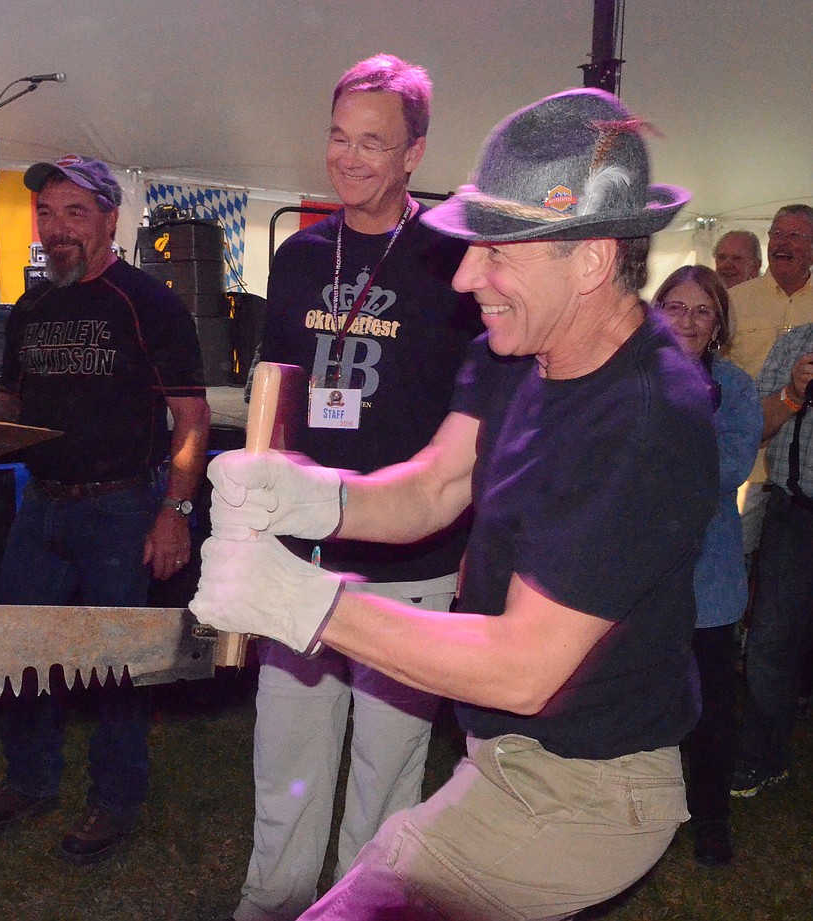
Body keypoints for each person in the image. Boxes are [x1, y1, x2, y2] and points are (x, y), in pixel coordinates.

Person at [192, 87, 717, 920]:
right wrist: (312, 497)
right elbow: (436, 484)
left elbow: (524, 666)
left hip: (584, 788)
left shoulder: (646, 420)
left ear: (589, 259)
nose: (468, 275)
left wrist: (299, 599)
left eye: (498, 253)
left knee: (372, 891)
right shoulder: (515, 350)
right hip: (507, 752)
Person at [226, 54, 479, 921]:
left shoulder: (456, 262)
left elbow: (474, 419)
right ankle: (275, 906)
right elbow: (275, 392)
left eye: (373, 142)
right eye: (339, 136)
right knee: (285, 761)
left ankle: (362, 911)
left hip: (412, 561)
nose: (350, 157)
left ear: (414, 153)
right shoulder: (299, 255)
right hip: (301, 557)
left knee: (386, 773)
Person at [0, 155, 210, 863]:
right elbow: (13, 395)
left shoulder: (148, 302)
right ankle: (30, 779)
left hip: (123, 510)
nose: (56, 228)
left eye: (74, 213)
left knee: (116, 666)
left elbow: (192, 416)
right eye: (46, 213)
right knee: (22, 655)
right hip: (41, 508)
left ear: (108, 220)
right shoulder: (33, 306)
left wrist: (173, 512)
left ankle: (115, 799)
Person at [652, 266, 762, 864]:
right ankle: (647, 815)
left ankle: (711, 819)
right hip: (640, 576)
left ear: (718, 321)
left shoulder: (738, 388)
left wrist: (660, 457)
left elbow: (727, 470)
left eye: (701, 310)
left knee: (712, 710)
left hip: (709, 578)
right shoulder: (630, 378)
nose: (688, 320)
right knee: (645, 704)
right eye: (675, 306)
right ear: (656, 310)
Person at [731, 319, 813, 798]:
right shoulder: (797, 341)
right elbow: (755, 428)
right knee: (770, 644)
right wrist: (793, 391)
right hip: (796, 513)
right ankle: (764, 757)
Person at [726, 206, 813, 557]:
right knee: (737, 564)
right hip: (744, 467)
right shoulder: (735, 301)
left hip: (801, 479)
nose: (781, 242)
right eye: (776, 233)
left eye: (794, 235)